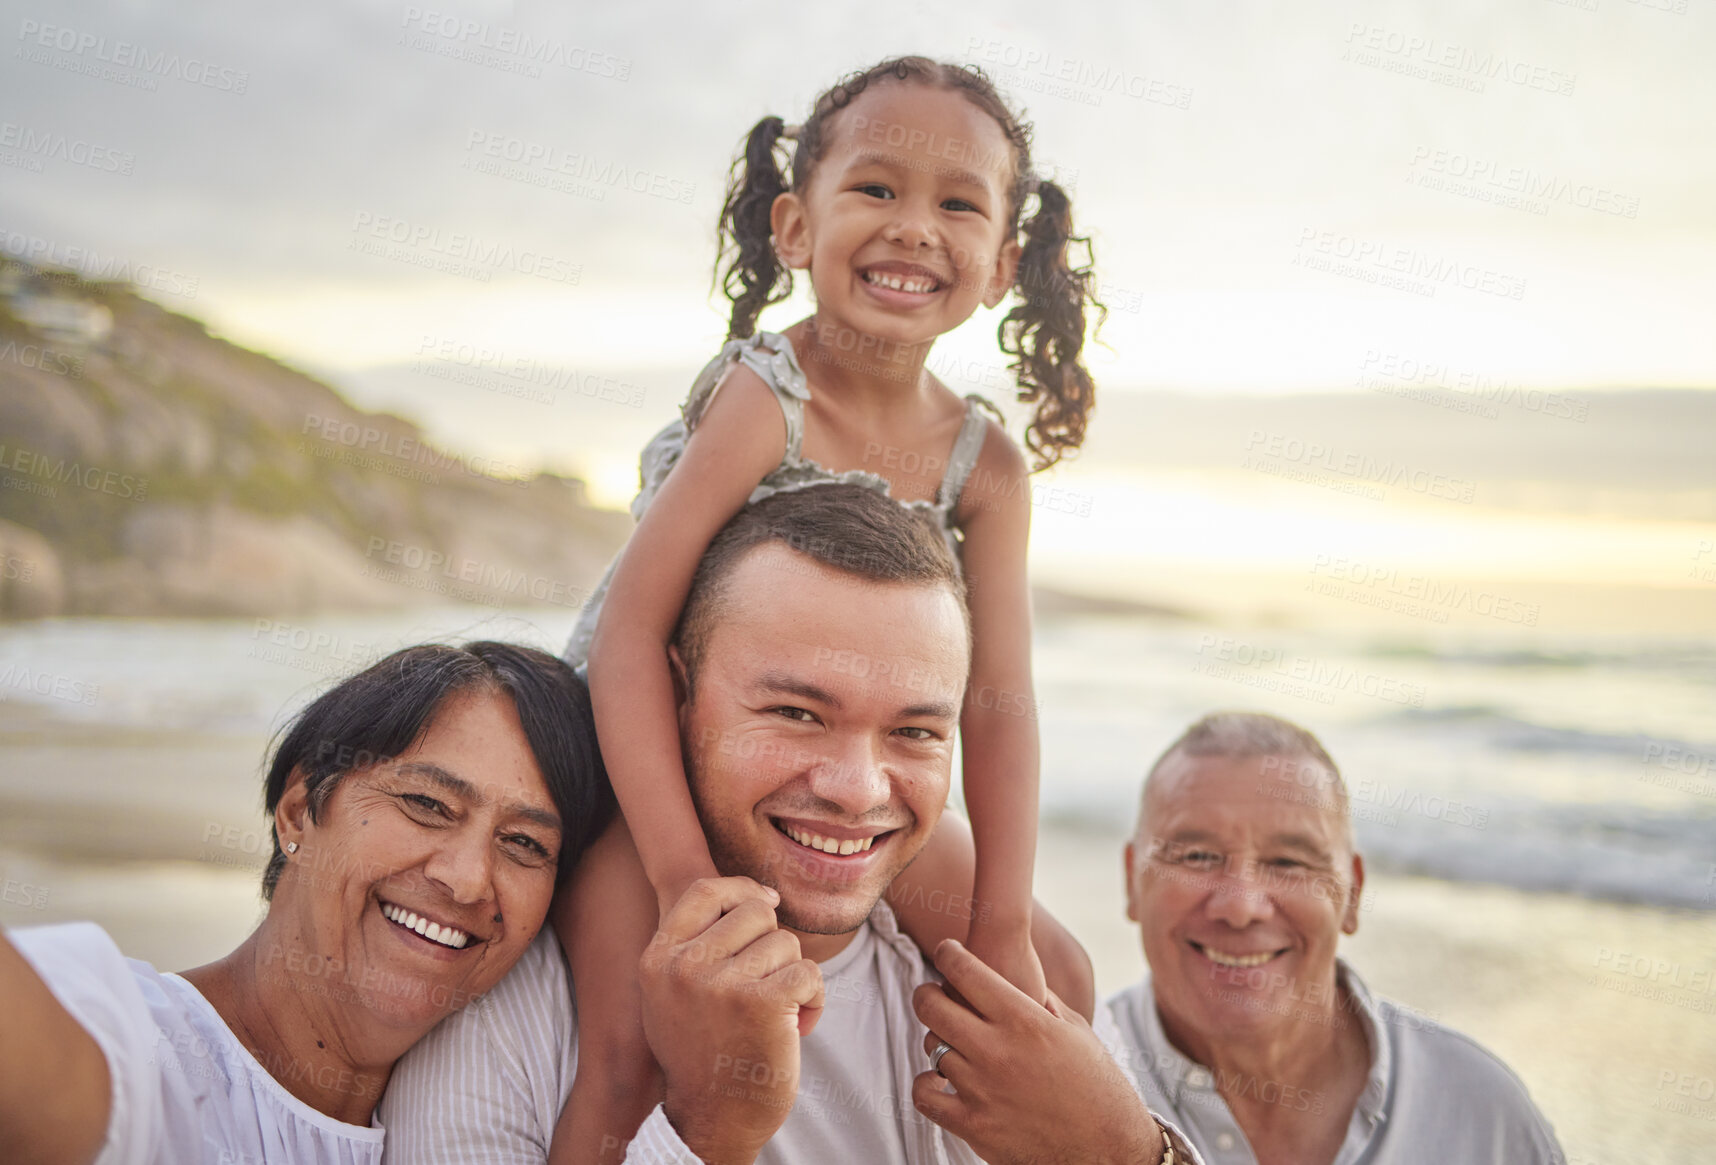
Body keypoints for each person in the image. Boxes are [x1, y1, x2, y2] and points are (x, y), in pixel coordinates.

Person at [553, 54, 1105, 1161]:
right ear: (796, 227)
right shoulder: (768, 397)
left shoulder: (985, 464)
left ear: (1002, 264)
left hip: (830, 747)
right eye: (876, 189)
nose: (913, 227)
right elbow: (627, 640)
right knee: (625, 1048)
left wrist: (998, 914)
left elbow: (995, 700)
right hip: (643, 744)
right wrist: (680, 875)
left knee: (1062, 982)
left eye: (957, 203)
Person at [379, 485, 1197, 1165]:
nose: (855, 787)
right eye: (798, 712)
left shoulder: (1002, 1023)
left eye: (914, 731)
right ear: (677, 697)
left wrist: (1126, 1151)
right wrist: (707, 1128)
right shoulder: (505, 1027)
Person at [0, 642, 613, 1165]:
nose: (469, 879)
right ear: (298, 809)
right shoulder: (139, 1050)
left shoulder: (494, 1126)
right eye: (426, 804)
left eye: (526, 844)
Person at [1109, 711, 1565, 1164]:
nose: (1241, 907)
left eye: (1289, 863)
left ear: (1352, 895)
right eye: (1197, 856)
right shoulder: (1067, 1094)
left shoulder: (1480, 1110)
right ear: (1133, 880)